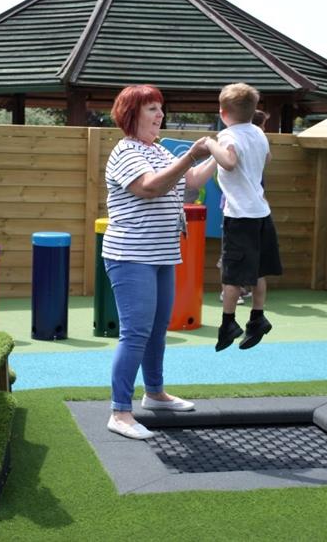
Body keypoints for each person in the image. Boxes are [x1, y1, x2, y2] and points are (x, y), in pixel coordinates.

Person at [102, 84, 213, 440]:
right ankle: (120, 412)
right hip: (131, 255)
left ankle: (154, 393)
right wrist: (192, 155)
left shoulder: (161, 150)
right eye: (151, 109)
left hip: (162, 254)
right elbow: (150, 187)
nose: (159, 115)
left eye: (160, 108)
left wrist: (219, 152)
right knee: (135, 332)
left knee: (156, 329)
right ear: (131, 114)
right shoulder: (126, 151)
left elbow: (191, 183)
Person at [204, 83, 283, 352]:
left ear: (223, 112)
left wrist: (209, 144)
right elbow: (268, 158)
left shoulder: (227, 136)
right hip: (261, 212)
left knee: (232, 274)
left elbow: (228, 162)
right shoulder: (259, 134)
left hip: (240, 215)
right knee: (258, 270)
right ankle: (257, 317)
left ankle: (228, 323)